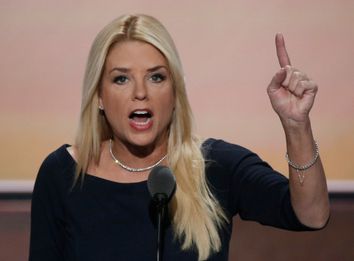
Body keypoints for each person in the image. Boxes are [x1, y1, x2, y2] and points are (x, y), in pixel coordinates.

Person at [29, 14, 330, 261]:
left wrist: (296, 125)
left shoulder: (216, 166)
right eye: (121, 78)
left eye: (156, 76)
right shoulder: (62, 174)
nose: (140, 92)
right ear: (99, 97)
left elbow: (311, 215)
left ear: (175, 93)